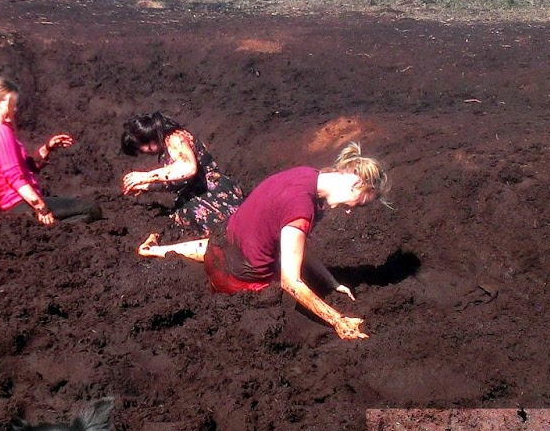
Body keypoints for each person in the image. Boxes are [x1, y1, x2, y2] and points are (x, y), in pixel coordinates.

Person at [139, 142, 389, 340]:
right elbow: (291, 283)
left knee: (225, 248)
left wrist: (330, 280)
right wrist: (338, 321)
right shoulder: (301, 208)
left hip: (223, 243)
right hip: (243, 284)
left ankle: (155, 251)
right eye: (358, 204)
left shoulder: (305, 174)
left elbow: (294, 244)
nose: (349, 211)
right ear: (356, 183)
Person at [0, 75, 101, 225]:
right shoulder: (0, 132)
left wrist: (48, 148)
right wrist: (41, 207)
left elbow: (24, 167)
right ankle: (51, 228)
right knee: (92, 209)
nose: (14, 109)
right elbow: (14, 177)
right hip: (20, 203)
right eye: (10, 104)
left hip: (10, 206)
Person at [120, 111, 245, 238]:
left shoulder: (175, 138)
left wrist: (145, 176)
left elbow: (188, 168)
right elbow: (176, 182)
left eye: (140, 148)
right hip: (196, 194)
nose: (143, 153)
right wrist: (146, 186)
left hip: (211, 193)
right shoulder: (166, 147)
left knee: (226, 230)